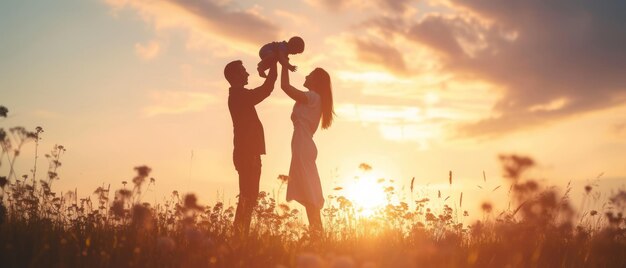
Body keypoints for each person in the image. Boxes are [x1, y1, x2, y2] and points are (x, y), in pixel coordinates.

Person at [224, 60, 277, 237]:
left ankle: (240, 236)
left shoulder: (239, 96)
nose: (247, 74)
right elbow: (266, 89)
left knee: (249, 199)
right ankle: (239, 236)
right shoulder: (239, 96)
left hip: (247, 153)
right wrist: (275, 62)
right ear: (235, 76)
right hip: (247, 154)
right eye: (244, 71)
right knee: (248, 198)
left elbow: (265, 90)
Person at [280, 64, 334, 236]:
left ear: (316, 81)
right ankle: (317, 232)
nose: (305, 77)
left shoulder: (312, 97)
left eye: (309, 75)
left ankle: (317, 233)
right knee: (308, 191)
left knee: (309, 193)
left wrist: (283, 64)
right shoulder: (314, 98)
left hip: (303, 146)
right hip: (303, 145)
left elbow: (285, 87)